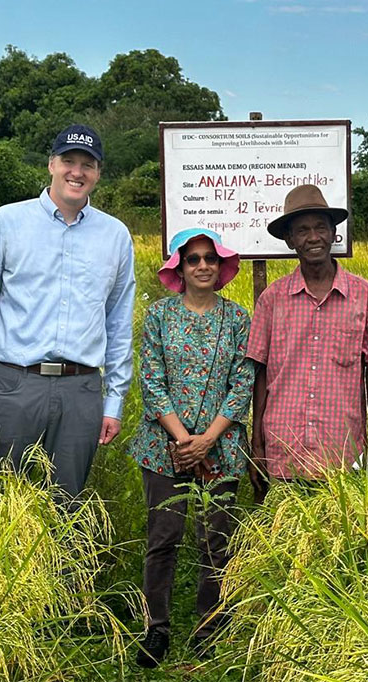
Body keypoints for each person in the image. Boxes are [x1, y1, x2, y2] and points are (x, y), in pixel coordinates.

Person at [0, 124, 135, 498]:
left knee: (67, 504)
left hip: (82, 388)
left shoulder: (115, 234)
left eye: (88, 164)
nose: (77, 172)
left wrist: (114, 401)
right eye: (68, 161)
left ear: (98, 173)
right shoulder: (6, 222)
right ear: (51, 164)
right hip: (14, 384)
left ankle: (65, 559)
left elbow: (118, 320)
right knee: (5, 501)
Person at [131, 228, 254, 668]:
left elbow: (242, 384)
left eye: (209, 258)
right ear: (179, 269)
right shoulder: (161, 316)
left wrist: (207, 440)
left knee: (216, 541)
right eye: (193, 259)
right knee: (163, 539)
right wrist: (183, 439)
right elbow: (152, 380)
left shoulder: (238, 319)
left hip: (221, 448)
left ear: (221, 267)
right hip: (164, 448)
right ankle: (156, 628)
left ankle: (209, 625)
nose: (202, 265)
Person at [247, 185, 368, 494]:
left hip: (342, 451)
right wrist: (257, 442)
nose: (313, 237)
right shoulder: (272, 299)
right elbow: (261, 374)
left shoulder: (364, 295)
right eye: (302, 230)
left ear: (333, 232)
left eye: (320, 228)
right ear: (290, 240)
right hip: (284, 449)